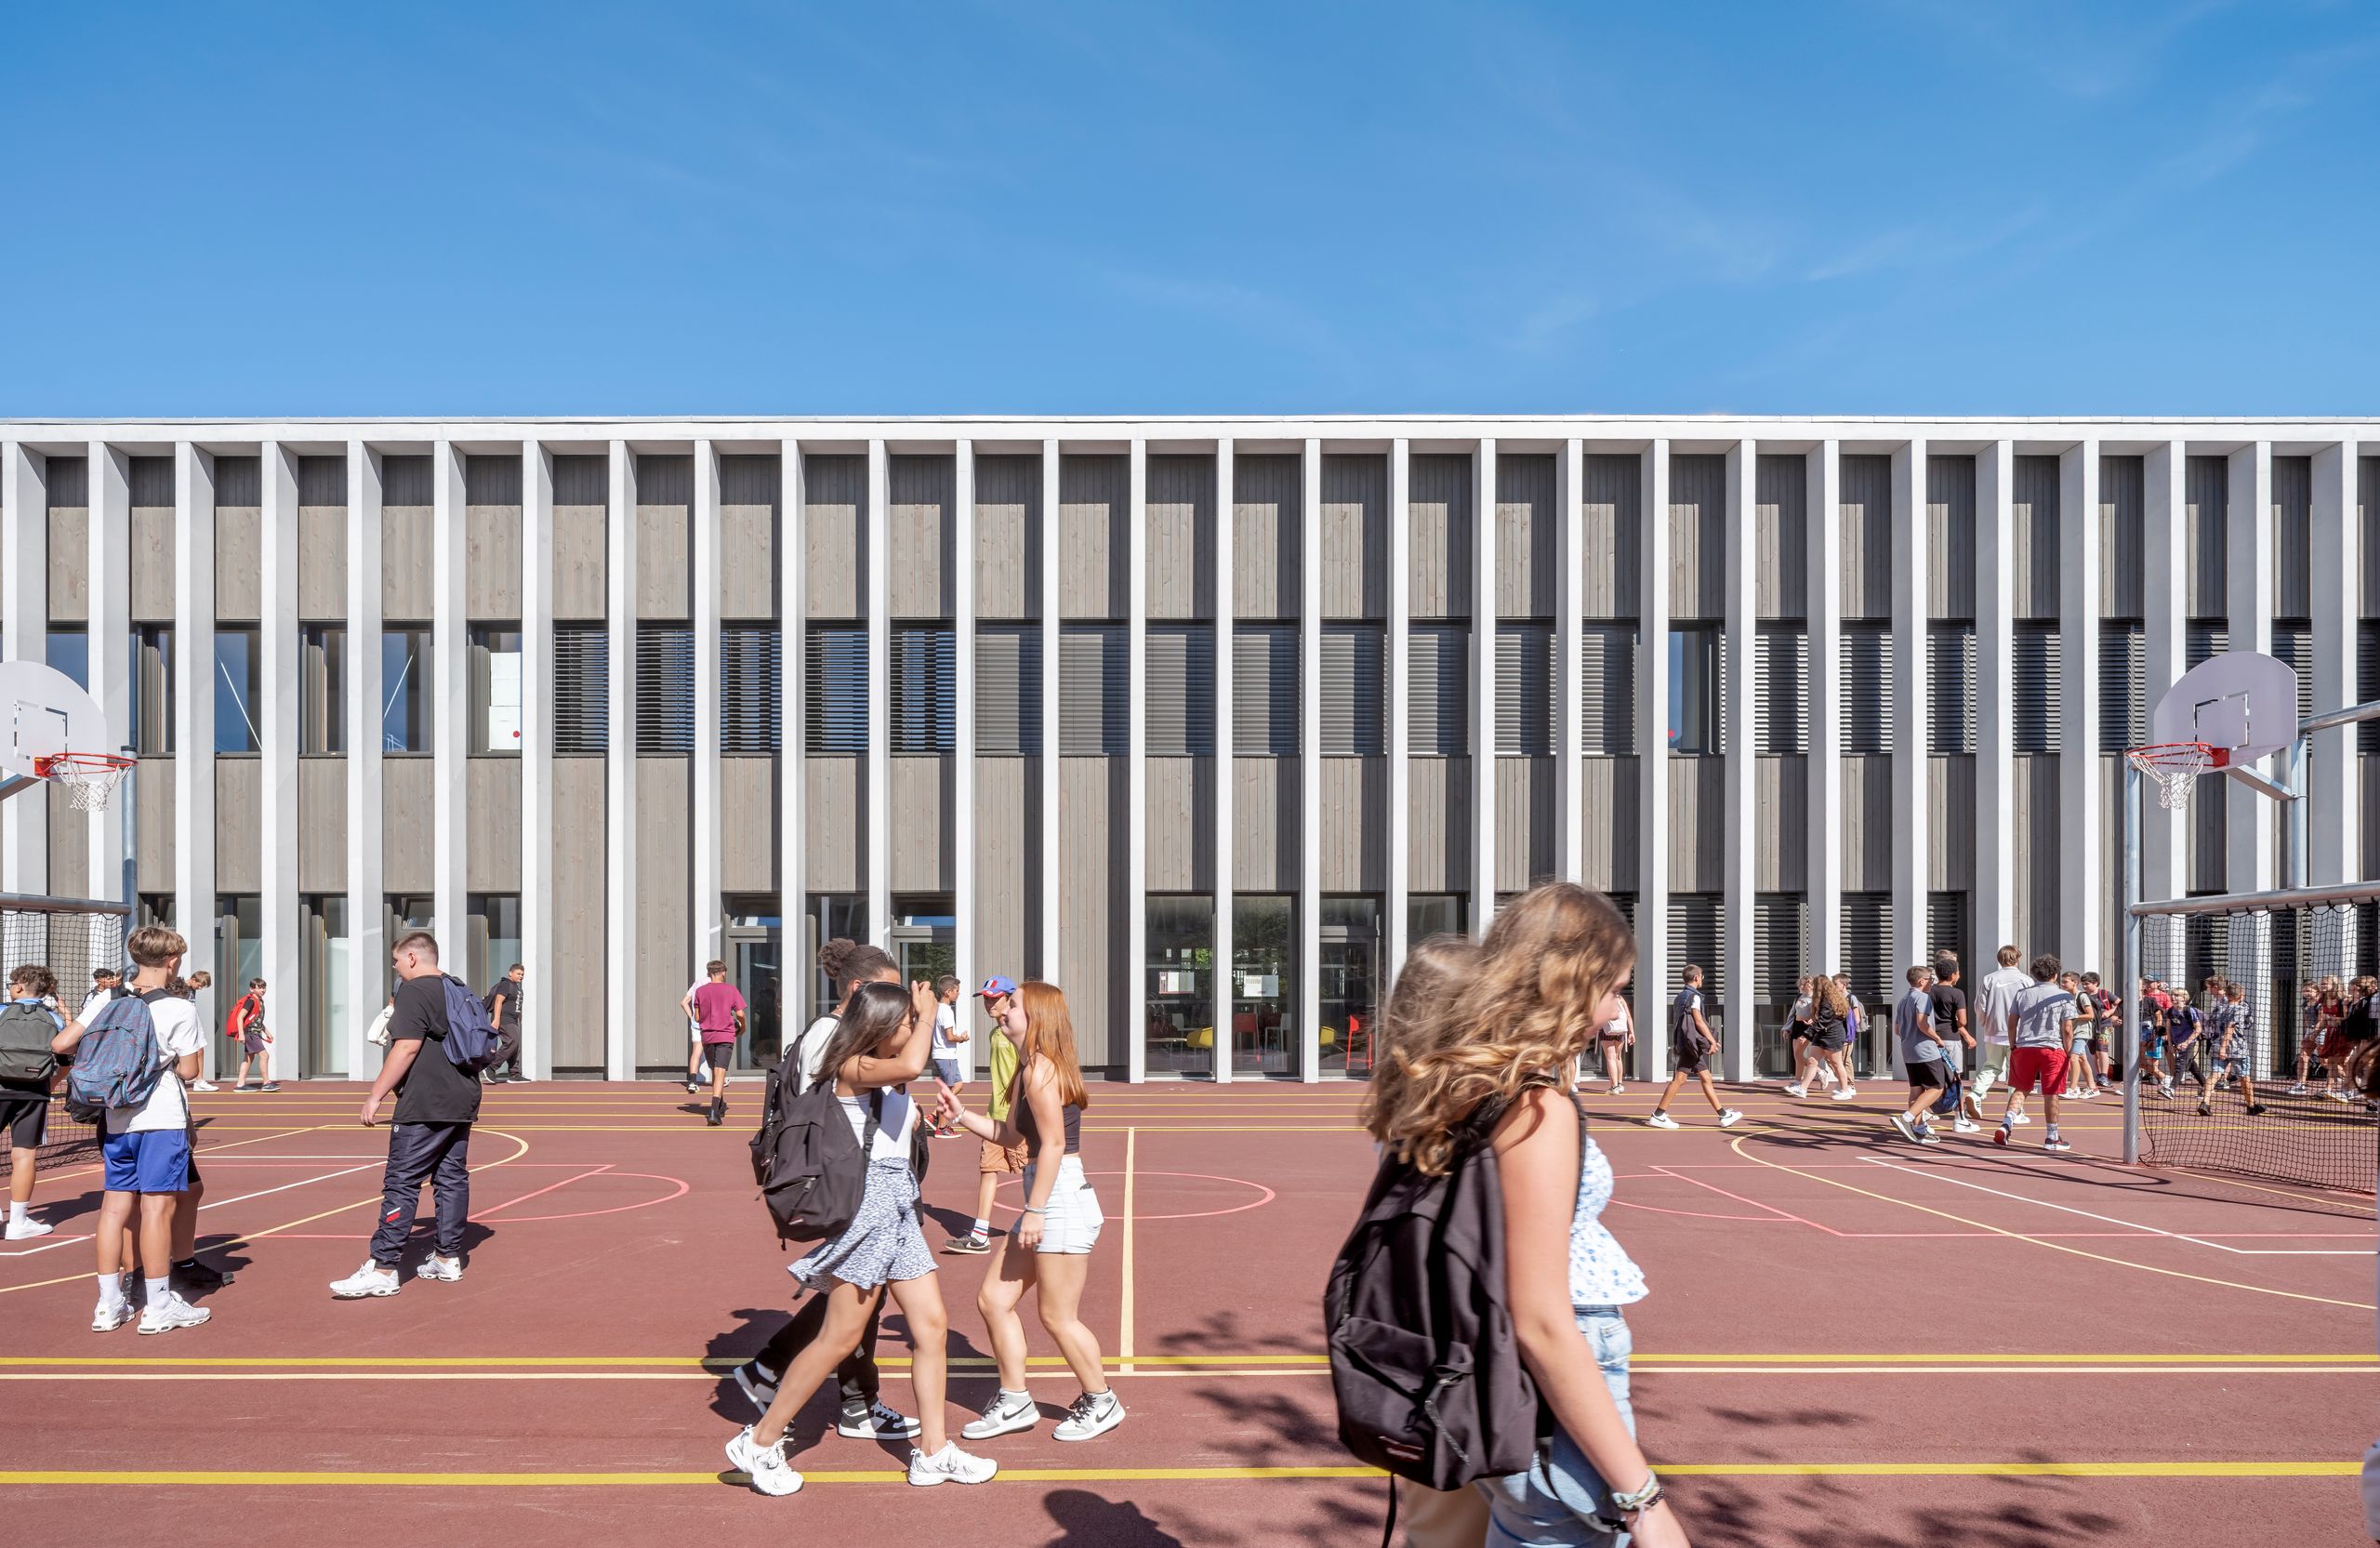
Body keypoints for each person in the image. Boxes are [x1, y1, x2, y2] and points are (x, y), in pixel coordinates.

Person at [1363, 883, 1690, 1548]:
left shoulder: (1459, 1085)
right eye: (1613, 988)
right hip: (1550, 1381)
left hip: (1478, 1367)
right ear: (1574, 980)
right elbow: (1542, 1318)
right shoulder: (1537, 1109)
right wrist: (1644, 1497)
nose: (1611, 1012)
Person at [725, 978, 998, 1495]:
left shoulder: (890, 1080)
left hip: (897, 1205)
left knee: (932, 1327)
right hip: (868, 1208)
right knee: (840, 1337)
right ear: (879, 1027)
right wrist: (931, 1006)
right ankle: (758, 1442)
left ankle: (934, 1452)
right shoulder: (852, 1067)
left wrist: (928, 1119)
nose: (912, 1030)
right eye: (905, 1024)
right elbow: (914, 1063)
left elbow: (904, 1110)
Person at [729, 938, 919, 1446]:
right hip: (840, 1179)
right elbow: (848, 1102)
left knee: (858, 1296)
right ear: (860, 990)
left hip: (856, 1177)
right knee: (855, 1298)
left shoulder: (838, 1035)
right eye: (891, 991)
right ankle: (801, 1389)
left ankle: (805, 1382)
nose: (899, 1003)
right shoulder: (830, 1036)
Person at [937, 981, 1124, 1445]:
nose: (1002, 1010)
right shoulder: (1026, 1071)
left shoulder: (1042, 1070)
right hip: (1046, 1197)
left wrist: (1036, 1210)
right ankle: (1016, 1399)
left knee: (1058, 1316)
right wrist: (962, 1115)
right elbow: (1014, 1137)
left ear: (1036, 1015)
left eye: (1012, 1005)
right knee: (993, 1301)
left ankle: (1102, 1401)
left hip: (1058, 1199)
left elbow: (1056, 1145)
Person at [51, 927, 214, 1333]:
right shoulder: (180, 1007)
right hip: (159, 1117)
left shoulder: (108, 998)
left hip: (115, 1115)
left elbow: (61, 1044)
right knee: (157, 1207)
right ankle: (158, 1305)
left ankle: (108, 1304)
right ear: (173, 961)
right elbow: (192, 1071)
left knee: (114, 1207)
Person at [331, 932, 481, 1297]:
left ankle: (383, 1267)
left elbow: (408, 1046)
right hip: (462, 1097)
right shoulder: (457, 988)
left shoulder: (415, 991)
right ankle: (447, 1258)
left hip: (424, 1102)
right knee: (450, 1178)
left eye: (396, 962)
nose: (396, 968)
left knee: (402, 1180)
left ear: (412, 957)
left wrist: (375, 1095)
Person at [946, 975, 1022, 1257]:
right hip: (994, 1115)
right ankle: (980, 1236)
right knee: (988, 1170)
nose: (989, 1003)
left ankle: (1048, 1226)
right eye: (986, 998)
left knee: (1030, 1173)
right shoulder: (994, 1033)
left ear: (1009, 998)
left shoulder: (1018, 1032)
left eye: (995, 997)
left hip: (1016, 1118)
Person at [0, 965, 66, 1240]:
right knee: (24, 1154)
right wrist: (49, 1084)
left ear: (17, 987)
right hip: (34, 1090)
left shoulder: (2, 1012)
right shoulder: (53, 1019)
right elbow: (65, 1059)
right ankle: (18, 1222)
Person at [1994, 954, 2074, 1153]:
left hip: (2025, 1046)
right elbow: (2067, 1028)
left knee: (2020, 1088)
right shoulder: (2064, 996)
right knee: (2051, 1092)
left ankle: (2007, 1123)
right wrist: (2068, 1050)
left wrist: (2013, 1045)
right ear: (2055, 975)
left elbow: (2012, 1023)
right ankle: (2052, 1136)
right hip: (2052, 1047)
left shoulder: (2023, 994)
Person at [1646, 966, 1740, 1131]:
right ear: (1696, 978)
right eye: (1702, 976)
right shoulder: (1694, 997)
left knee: (1706, 1077)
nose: (1702, 979)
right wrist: (1711, 1040)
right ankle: (1658, 1115)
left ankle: (1723, 1115)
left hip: (1685, 1043)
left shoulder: (1680, 997)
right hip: (1691, 1045)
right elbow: (1698, 1021)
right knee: (1680, 1079)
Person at [1888, 965, 1949, 1146]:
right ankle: (1906, 1118)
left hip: (1908, 1049)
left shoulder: (1904, 999)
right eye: (1931, 979)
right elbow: (1922, 1023)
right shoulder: (1923, 998)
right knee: (1937, 1087)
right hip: (1925, 1049)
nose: (1933, 982)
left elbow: (1897, 1029)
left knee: (1916, 1089)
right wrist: (1937, 1038)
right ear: (1922, 981)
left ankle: (1919, 1128)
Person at [2199, 980, 2268, 1118]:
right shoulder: (2239, 1008)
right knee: (2244, 1076)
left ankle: (2205, 1102)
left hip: (2217, 1043)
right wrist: (2224, 1048)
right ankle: (2251, 1105)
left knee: (2215, 1074)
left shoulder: (2220, 1007)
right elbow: (2231, 1027)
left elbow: (2211, 1021)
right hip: (2236, 1047)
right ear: (2239, 995)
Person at [691, 960, 747, 1127]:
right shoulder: (731, 990)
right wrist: (742, 1027)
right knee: (720, 1071)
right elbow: (741, 1013)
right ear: (723, 973)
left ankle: (720, 1104)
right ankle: (714, 1110)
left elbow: (697, 1017)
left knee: (716, 1071)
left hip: (707, 1036)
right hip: (725, 1035)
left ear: (709, 974)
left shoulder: (700, 991)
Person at [1785, 974, 1857, 1102]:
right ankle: (1802, 1088)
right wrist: (1813, 1022)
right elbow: (1822, 1019)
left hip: (1832, 1034)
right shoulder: (1823, 999)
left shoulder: (1828, 1000)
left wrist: (1806, 1034)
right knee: (1812, 1061)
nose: (1813, 988)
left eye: (1815, 985)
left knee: (1836, 1063)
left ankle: (1845, 1090)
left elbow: (1824, 1019)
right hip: (1822, 1033)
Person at [1928, 954, 1977, 1133]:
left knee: (1933, 1078)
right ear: (1952, 975)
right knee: (1955, 1077)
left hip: (1931, 1038)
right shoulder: (1957, 993)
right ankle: (1959, 1117)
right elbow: (1962, 1020)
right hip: (1951, 1038)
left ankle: (1925, 1112)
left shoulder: (1929, 991)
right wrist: (1959, 1025)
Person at [228, 979, 277, 1092]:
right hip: (250, 1033)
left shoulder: (259, 1001)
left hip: (253, 1032)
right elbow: (240, 1017)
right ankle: (266, 1082)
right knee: (264, 1055)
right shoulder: (250, 1001)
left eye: (264, 987)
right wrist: (241, 1034)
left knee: (249, 1058)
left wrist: (267, 1032)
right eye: (259, 987)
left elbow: (256, 1019)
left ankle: (240, 1084)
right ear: (252, 989)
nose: (262, 990)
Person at [483, 964, 528, 1083]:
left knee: (516, 1045)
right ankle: (491, 1067)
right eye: (518, 973)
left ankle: (514, 1074)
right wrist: (496, 1019)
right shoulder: (505, 984)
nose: (521, 976)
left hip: (513, 1020)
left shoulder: (518, 988)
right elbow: (498, 1001)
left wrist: (521, 1018)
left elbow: (517, 1005)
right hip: (504, 1019)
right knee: (512, 1042)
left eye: (522, 974)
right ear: (510, 973)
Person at [1593, 993, 1633, 1095]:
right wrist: (1632, 1032)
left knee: (1610, 1058)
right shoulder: (1620, 998)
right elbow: (1628, 1016)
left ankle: (1613, 1086)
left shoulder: (1601, 997)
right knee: (1618, 1057)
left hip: (1607, 1030)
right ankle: (1620, 1084)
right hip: (1621, 1030)